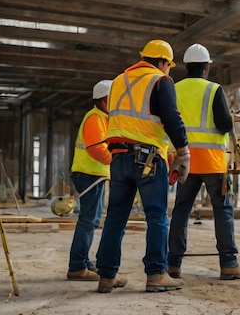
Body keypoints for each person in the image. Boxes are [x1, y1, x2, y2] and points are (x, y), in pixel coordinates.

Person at [95, 40, 190, 293]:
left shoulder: (118, 81)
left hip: (118, 157)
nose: (168, 70)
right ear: (162, 62)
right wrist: (183, 151)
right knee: (157, 215)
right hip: (147, 158)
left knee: (115, 217)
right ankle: (157, 274)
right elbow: (171, 117)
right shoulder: (160, 80)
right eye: (168, 65)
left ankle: (106, 275)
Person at [168, 43, 240, 280]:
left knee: (181, 211)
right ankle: (229, 264)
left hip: (185, 162)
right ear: (206, 67)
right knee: (222, 210)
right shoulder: (213, 89)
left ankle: (173, 264)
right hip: (212, 162)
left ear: (186, 66)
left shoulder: (175, 89)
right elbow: (224, 124)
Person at [66, 80, 113, 281]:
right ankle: (77, 266)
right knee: (88, 220)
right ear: (104, 100)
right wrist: (117, 160)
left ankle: (83, 261)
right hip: (89, 174)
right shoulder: (95, 118)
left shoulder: (101, 117)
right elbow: (95, 148)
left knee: (90, 219)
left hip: (93, 174)